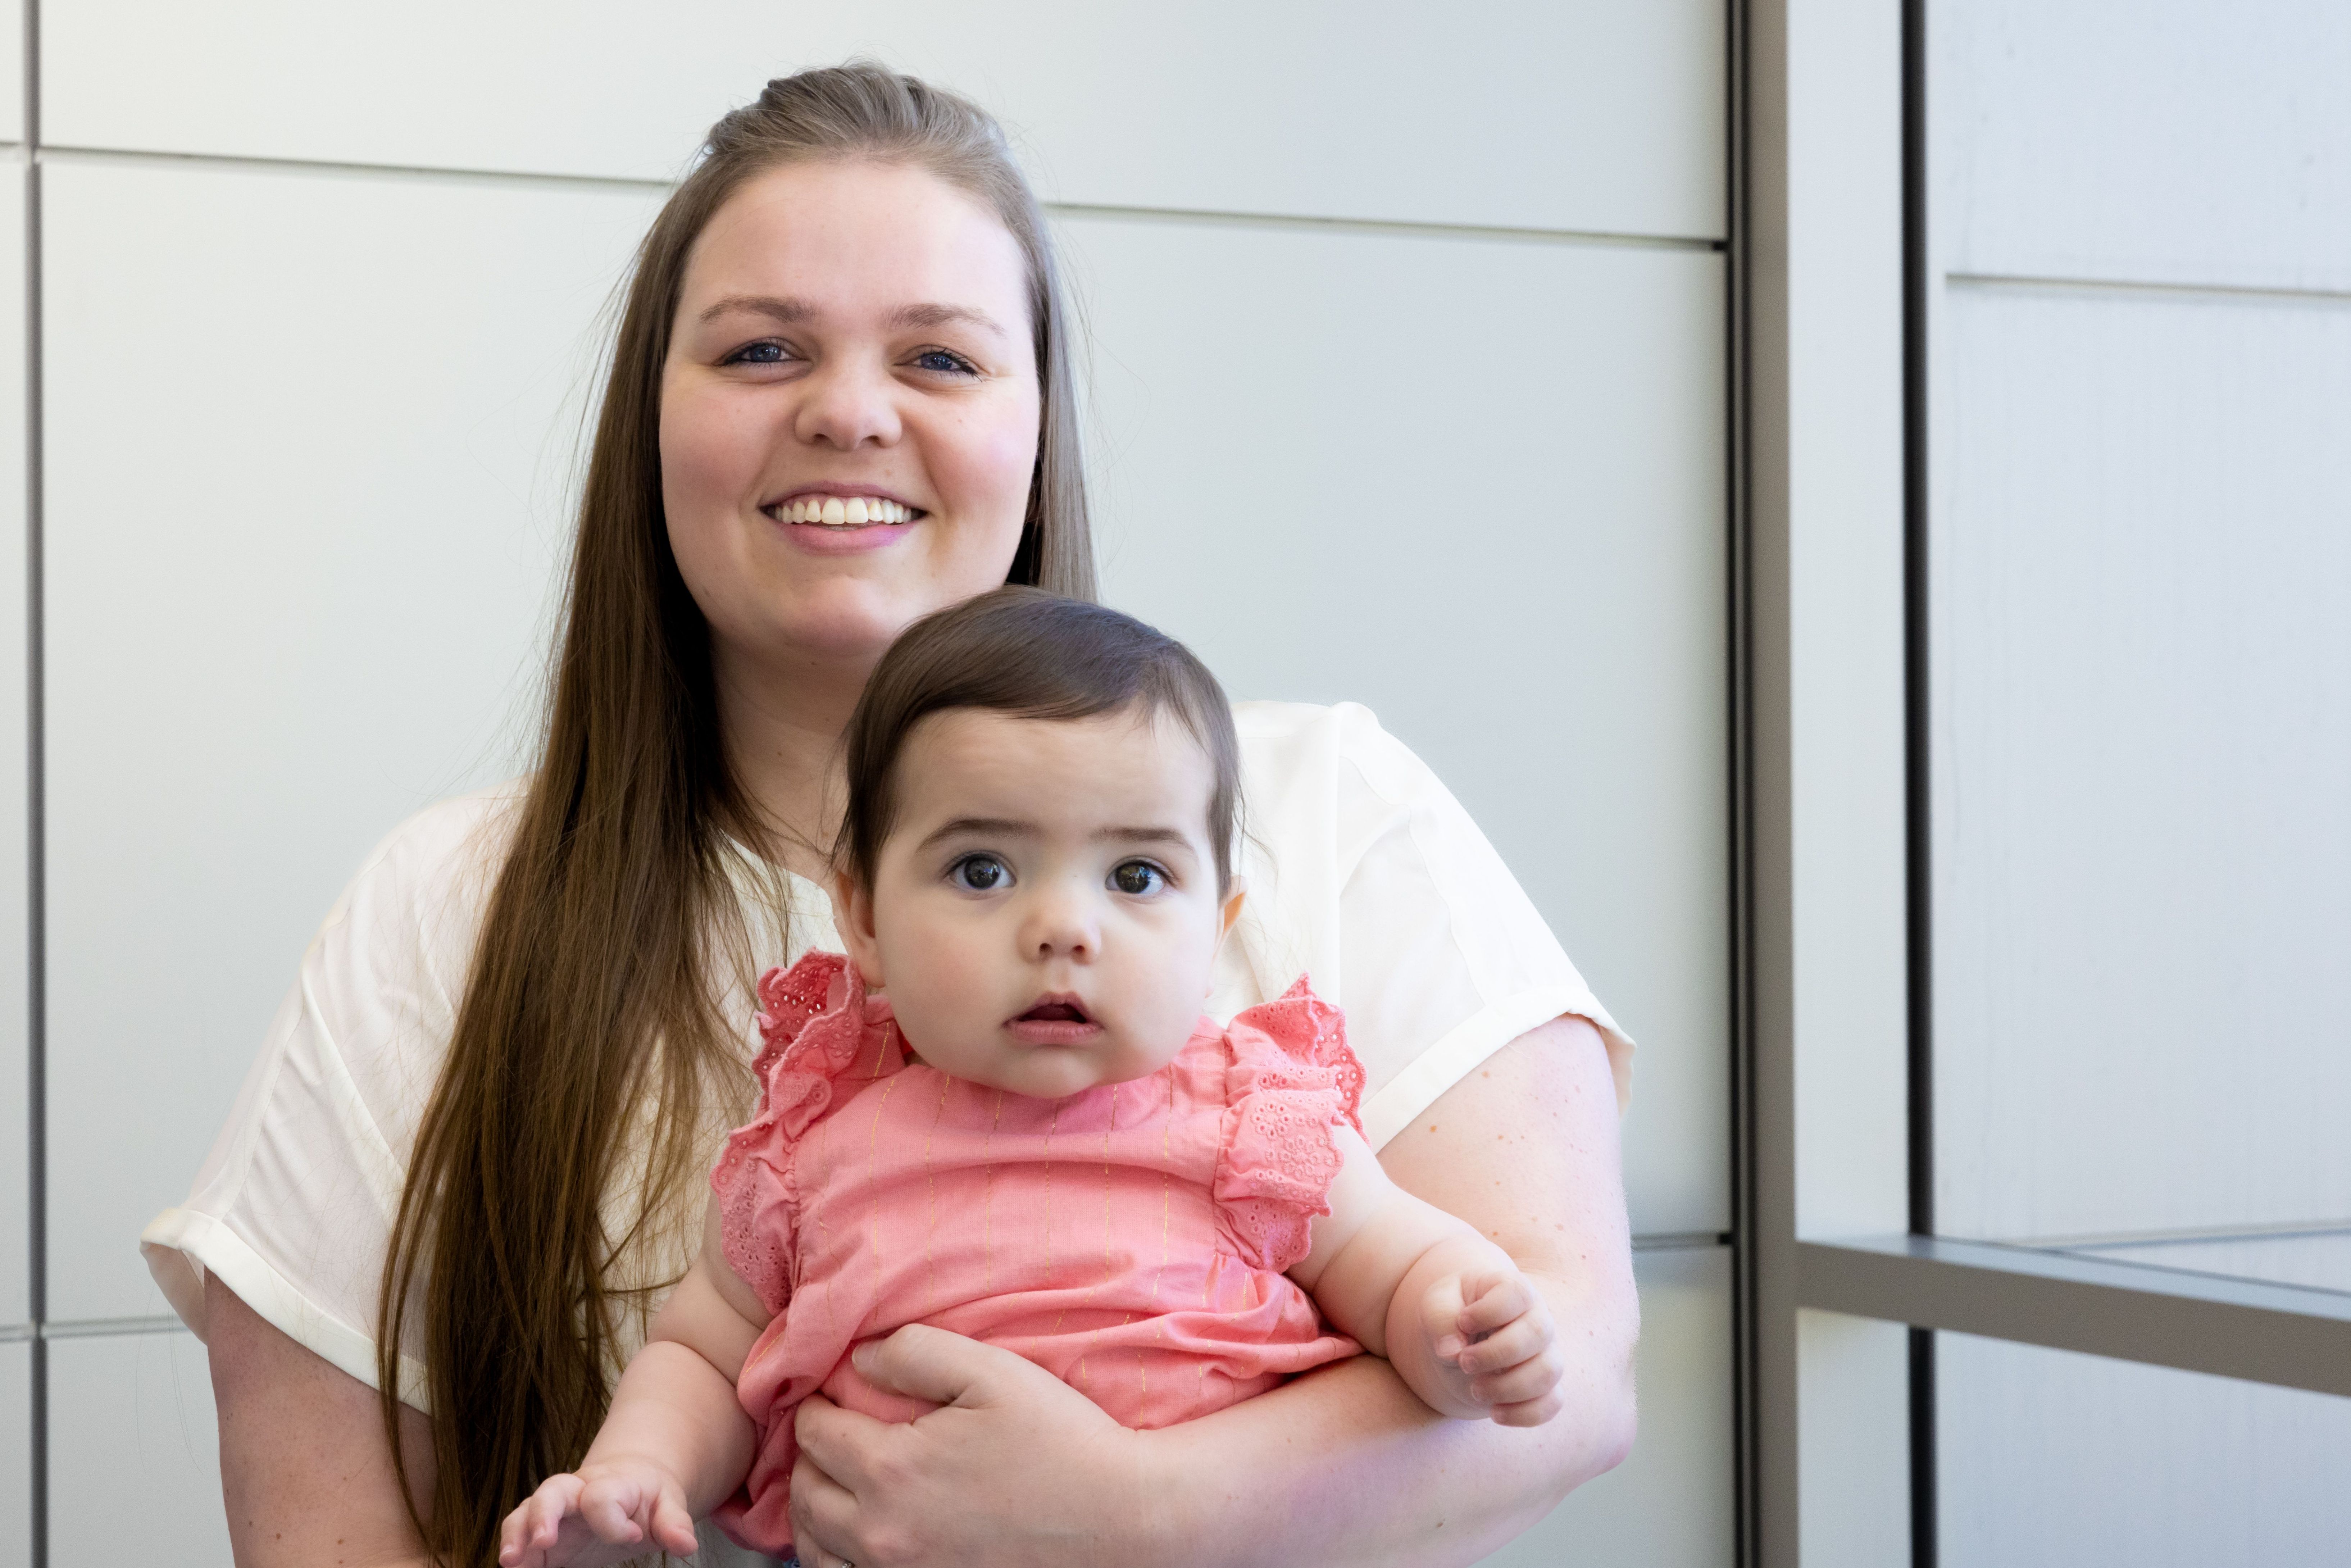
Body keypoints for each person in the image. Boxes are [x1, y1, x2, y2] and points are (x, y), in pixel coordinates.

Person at [141, 63, 1639, 1568]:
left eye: (937, 359)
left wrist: (1131, 1513)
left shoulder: (1325, 809)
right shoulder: (446, 906)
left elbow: (1568, 1381)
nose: (848, 413)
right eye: (762, 349)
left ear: (1036, 419)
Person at [497, 590, 1578, 1567]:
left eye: (1137, 875)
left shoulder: (1253, 1120)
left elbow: (1399, 1276)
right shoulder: (813, 1145)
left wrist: (1463, 1336)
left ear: (1219, 927)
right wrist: (636, 1476)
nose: (1064, 927)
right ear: (863, 917)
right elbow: (702, 1351)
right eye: (984, 870)